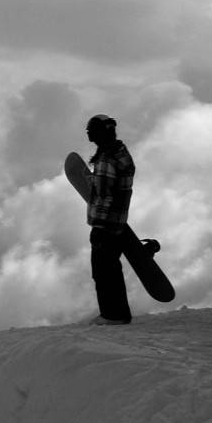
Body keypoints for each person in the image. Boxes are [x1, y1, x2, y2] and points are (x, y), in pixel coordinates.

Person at [86, 113, 135, 325]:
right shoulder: (120, 154)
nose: (89, 135)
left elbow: (106, 195)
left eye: (91, 131)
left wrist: (100, 226)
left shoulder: (106, 159)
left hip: (106, 225)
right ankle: (117, 313)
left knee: (103, 272)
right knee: (111, 270)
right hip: (118, 222)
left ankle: (113, 315)